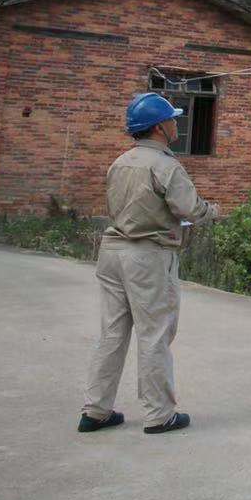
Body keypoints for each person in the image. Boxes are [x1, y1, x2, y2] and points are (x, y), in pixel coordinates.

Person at [78, 92, 218, 436]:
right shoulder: (166, 166)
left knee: (112, 333)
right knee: (154, 334)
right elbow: (189, 209)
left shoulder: (120, 162)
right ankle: (159, 415)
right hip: (148, 256)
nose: (176, 123)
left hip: (111, 252)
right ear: (159, 128)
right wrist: (211, 211)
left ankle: (95, 411)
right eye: (172, 119)